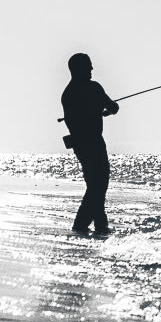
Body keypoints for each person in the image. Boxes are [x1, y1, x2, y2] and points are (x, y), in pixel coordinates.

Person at [61, 53, 119, 235]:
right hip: (94, 144)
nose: (92, 69)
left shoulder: (67, 94)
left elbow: (75, 119)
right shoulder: (93, 88)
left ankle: (98, 226)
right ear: (79, 69)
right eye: (89, 66)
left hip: (80, 146)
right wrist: (104, 111)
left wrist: (97, 110)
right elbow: (114, 107)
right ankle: (83, 225)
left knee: (94, 186)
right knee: (98, 186)